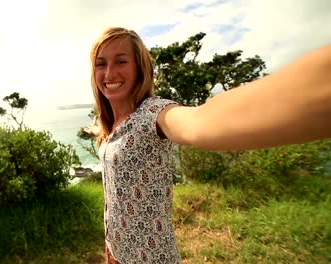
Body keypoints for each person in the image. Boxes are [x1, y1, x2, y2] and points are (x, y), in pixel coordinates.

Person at [84, 27, 331, 263]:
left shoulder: (154, 114)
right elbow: (111, 137)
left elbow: (198, 121)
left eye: (121, 61)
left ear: (140, 68)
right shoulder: (111, 124)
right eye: (101, 64)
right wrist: (98, 129)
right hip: (116, 248)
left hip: (149, 256)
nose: (109, 73)